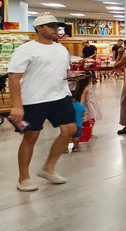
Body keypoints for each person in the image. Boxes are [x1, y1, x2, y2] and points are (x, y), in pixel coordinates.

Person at [8, 14, 77, 192]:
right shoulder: (26, 49)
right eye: (50, 26)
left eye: (57, 26)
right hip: (34, 99)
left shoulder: (61, 49)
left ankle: (48, 168)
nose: (55, 29)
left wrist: (73, 76)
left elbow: (62, 71)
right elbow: (14, 77)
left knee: (70, 129)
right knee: (31, 137)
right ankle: (23, 178)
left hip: (61, 97)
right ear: (38, 28)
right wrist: (17, 105)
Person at [66, 81, 88, 153]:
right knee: (76, 137)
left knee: (67, 137)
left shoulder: (68, 106)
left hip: (69, 125)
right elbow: (83, 114)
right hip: (78, 124)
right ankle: (75, 147)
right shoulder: (81, 106)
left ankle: (65, 149)